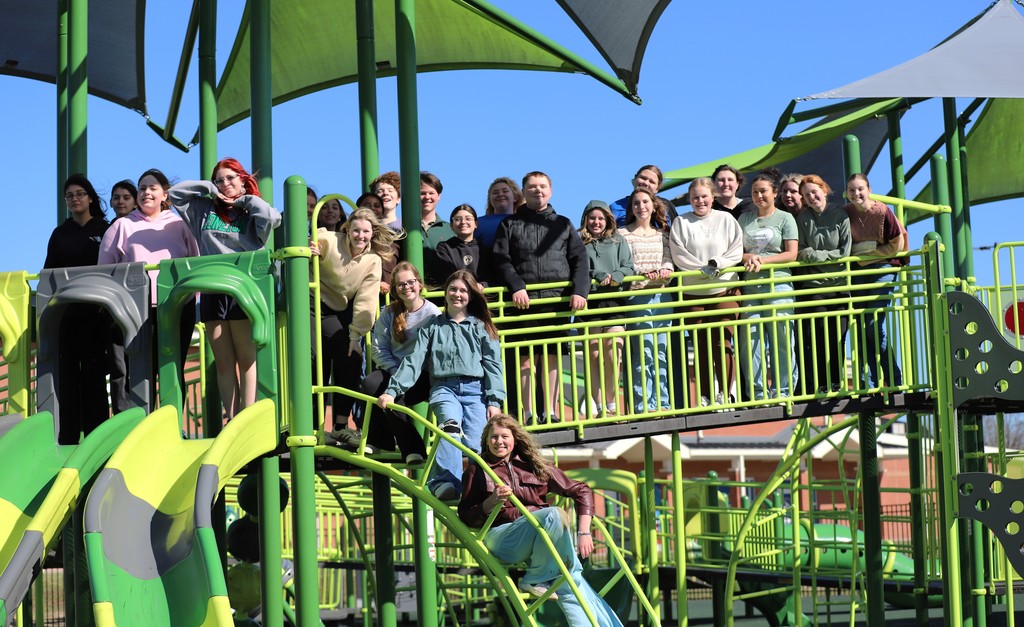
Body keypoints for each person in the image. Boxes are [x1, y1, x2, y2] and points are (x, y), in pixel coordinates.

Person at [459, 414, 624, 627]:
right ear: (486, 440)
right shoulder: (478, 468)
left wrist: (584, 532)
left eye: (504, 436)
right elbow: (465, 514)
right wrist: (491, 502)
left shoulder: (533, 465)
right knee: (555, 516)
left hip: (537, 538)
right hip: (503, 537)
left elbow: (580, 490)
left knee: (568, 581)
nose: (499, 441)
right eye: (493, 437)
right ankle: (535, 578)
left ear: (515, 439)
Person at [377, 270, 505, 501]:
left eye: (463, 291)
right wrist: (392, 390)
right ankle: (445, 481)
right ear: (445, 293)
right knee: (450, 427)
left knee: (478, 442)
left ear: (471, 296)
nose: (457, 294)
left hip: (475, 389)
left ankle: (482, 487)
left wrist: (494, 401)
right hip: (444, 388)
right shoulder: (433, 326)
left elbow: (493, 365)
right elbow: (414, 361)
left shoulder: (481, 326)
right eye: (453, 289)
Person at [170, 157, 282, 419]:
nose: (225, 184)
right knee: (223, 361)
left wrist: (243, 199)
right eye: (219, 179)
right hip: (212, 288)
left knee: (246, 358)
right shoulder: (204, 208)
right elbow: (175, 193)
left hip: (245, 289)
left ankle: (248, 416)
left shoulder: (252, 209)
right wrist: (210, 189)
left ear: (242, 178)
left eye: (230, 178)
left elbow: (271, 216)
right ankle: (230, 417)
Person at [492, 171, 590, 426]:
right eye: (532, 186)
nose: (538, 190)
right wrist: (516, 286)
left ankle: (551, 411)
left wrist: (580, 291)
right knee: (526, 359)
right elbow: (501, 259)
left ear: (550, 191)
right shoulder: (509, 224)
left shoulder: (563, 223)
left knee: (552, 358)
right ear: (523, 192)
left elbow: (579, 259)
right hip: (523, 303)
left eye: (542, 186)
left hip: (556, 302)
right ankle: (528, 413)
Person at [100, 168, 200, 412]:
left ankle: (172, 425)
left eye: (152, 187)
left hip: (175, 308)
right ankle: (133, 428)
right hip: (133, 310)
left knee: (171, 368)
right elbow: (104, 271)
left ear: (165, 195)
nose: (146, 192)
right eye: (142, 188)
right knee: (135, 371)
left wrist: (192, 304)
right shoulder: (121, 226)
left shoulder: (180, 225)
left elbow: (194, 263)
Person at [314, 208, 398, 432]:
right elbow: (308, 244)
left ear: (372, 233)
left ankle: (340, 425)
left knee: (351, 358)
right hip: (311, 303)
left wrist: (355, 335)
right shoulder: (329, 240)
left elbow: (366, 299)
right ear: (347, 229)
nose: (360, 236)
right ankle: (312, 426)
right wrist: (308, 249)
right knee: (314, 362)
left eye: (365, 232)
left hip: (336, 309)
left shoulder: (372, 260)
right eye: (356, 230)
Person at [347, 262, 440, 464]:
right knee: (372, 383)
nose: (407, 287)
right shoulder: (390, 312)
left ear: (419, 283)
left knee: (393, 396)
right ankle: (381, 441)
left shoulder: (433, 314)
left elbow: (435, 352)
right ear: (395, 289)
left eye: (411, 282)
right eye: (400, 285)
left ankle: (413, 450)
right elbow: (379, 348)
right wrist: (397, 372)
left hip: (423, 376)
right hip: (396, 370)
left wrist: (406, 377)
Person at [44, 174, 112, 444]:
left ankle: (97, 439)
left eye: (79, 193)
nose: (74, 199)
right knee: (67, 376)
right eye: (69, 195)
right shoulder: (60, 233)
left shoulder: (105, 229)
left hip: (97, 313)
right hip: (67, 315)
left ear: (91, 197)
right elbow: (48, 271)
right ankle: (68, 438)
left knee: (94, 376)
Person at [669, 177, 743, 408]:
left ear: (713, 197)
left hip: (725, 288)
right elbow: (678, 253)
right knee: (700, 345)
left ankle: (726, 392)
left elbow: (736, 250)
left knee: (723, 341)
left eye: (704, 196)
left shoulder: (726, 219)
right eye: (695, 197)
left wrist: (716, 263)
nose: (700, 201)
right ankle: (704, 395)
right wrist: (701, 270)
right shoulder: (681, 222)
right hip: (693, 292)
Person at [736, 170, 798, 401]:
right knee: (750, 337)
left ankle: (784, 389)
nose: (759, 196)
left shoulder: (785, 218)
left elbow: (791, 254)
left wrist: (764, 260)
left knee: (781, 335)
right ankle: (758, 391)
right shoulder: (745, 219)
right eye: (754, 192)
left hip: (778, 283)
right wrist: (748, 258)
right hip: (752, 285)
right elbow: (737, 252)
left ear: (775, 193)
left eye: (763, 191)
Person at [843, 173, 907, 389]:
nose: (856, 193)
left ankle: (893, 378)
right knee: (860, 326)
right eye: (852, 190)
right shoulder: (846, 213)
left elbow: (896, 244)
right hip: (859, 270)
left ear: (869, 190)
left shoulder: (881, 212)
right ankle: (867, 382)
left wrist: (867, 255)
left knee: (872, 323)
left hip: (882, 265)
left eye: (860, 189)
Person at [795, 174, 852, 394]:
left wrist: (816, 255)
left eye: (814, 191)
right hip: (815, 285)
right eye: (806, 195)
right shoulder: (804, 218)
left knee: (837, 335)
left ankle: (836, 381)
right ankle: (819, 383)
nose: (811, 197)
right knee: (817, 335)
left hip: (838, 285)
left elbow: (844, 252)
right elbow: (801, 250)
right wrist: (822, 255)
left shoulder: (840, 215)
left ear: (824, 190)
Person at [578, 201, 633, 418]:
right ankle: (597, 403)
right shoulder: (579, 241)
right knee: (593, 354)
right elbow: (578, 267)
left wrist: (617, 276)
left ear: (607, 219)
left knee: (613, 353)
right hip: (591, 301)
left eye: (600, 218)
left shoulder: (618, 240)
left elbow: (629, 265)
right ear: (585, 220)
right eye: (592, 218)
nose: (596, 222)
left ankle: (611, 402)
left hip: (615, 301)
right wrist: (597, 275)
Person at [622, 188, 674, 413]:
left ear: (653, 206)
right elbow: (624, 264)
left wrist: (665, 269)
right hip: (638, 297)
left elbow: (670, 260)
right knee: (643, 351)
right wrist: (642, 272)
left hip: (662, 296)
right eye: (636, 203)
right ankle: (643, 402)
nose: (641, 207)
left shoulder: (663, 234)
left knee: (660, 350)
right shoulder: (622, 234)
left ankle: (662, 401)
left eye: (645, 202)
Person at [357, 191, 400, 295]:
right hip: (362, 295)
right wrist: (376, 283)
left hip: (389, 298)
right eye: (368, 205)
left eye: (377, 206)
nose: (372, 208)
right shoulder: (352, 238)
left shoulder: (392, 240)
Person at [608, 164, 679, 227]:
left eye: (652, 182)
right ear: (634, 179)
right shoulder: (616, 207)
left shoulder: (666, 206)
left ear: (657, 189)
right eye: (643, 178)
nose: (646, 183)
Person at [434, 204, 489, 284]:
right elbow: (446, 274)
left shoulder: (484, 249)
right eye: (458, 219)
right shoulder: (445, 248)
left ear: (476, 224)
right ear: (451, 226)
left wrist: (482, 284)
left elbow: (490, 275)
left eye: (468, 219)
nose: (463, 222)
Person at [418, 171, 456, 286]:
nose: (427, 197)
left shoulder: (450, 229)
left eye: (431, 193)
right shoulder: (404, 228)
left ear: (439, 196)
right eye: (423, 193)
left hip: (443, 292)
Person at [476, 177, 523, 248]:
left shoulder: (524, 221)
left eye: (505, 191)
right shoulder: (478, 223)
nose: (500, 194)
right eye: (495, 192)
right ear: (490, 201)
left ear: (515, 198)